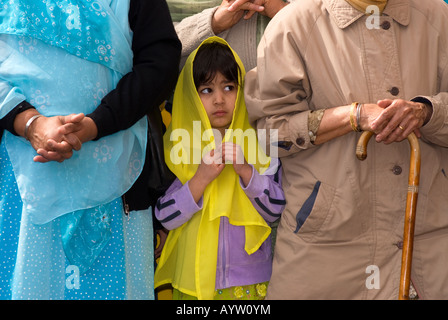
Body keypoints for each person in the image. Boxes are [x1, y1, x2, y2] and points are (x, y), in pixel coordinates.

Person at [244, 0, 448, 299]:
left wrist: (427, 112)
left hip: (432, 238)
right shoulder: (294, 24)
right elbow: (269, 134)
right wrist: (352, 116)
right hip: (326, 243)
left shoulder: (439, 17)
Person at [0, 0, 181, 299]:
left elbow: (159, 62)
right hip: (22, 183)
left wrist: (97, 124)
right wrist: (30, 123)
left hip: (118, 177)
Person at [153, 37, 285, 300]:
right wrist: (200, 178)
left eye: (228, 87)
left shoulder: (260, 142)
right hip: (192, 282)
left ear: (242, 89)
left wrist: (246, 171)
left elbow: (275, 212)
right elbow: (164, 217)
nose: (219, 100)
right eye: (206, 90)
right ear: (191, 95)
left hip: (250, 282)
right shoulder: (180, 146)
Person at [171, 0, 291, 71]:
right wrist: (212, 23)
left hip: (292, 98)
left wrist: (283, 10)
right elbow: (158, 48)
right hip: (202, 105)